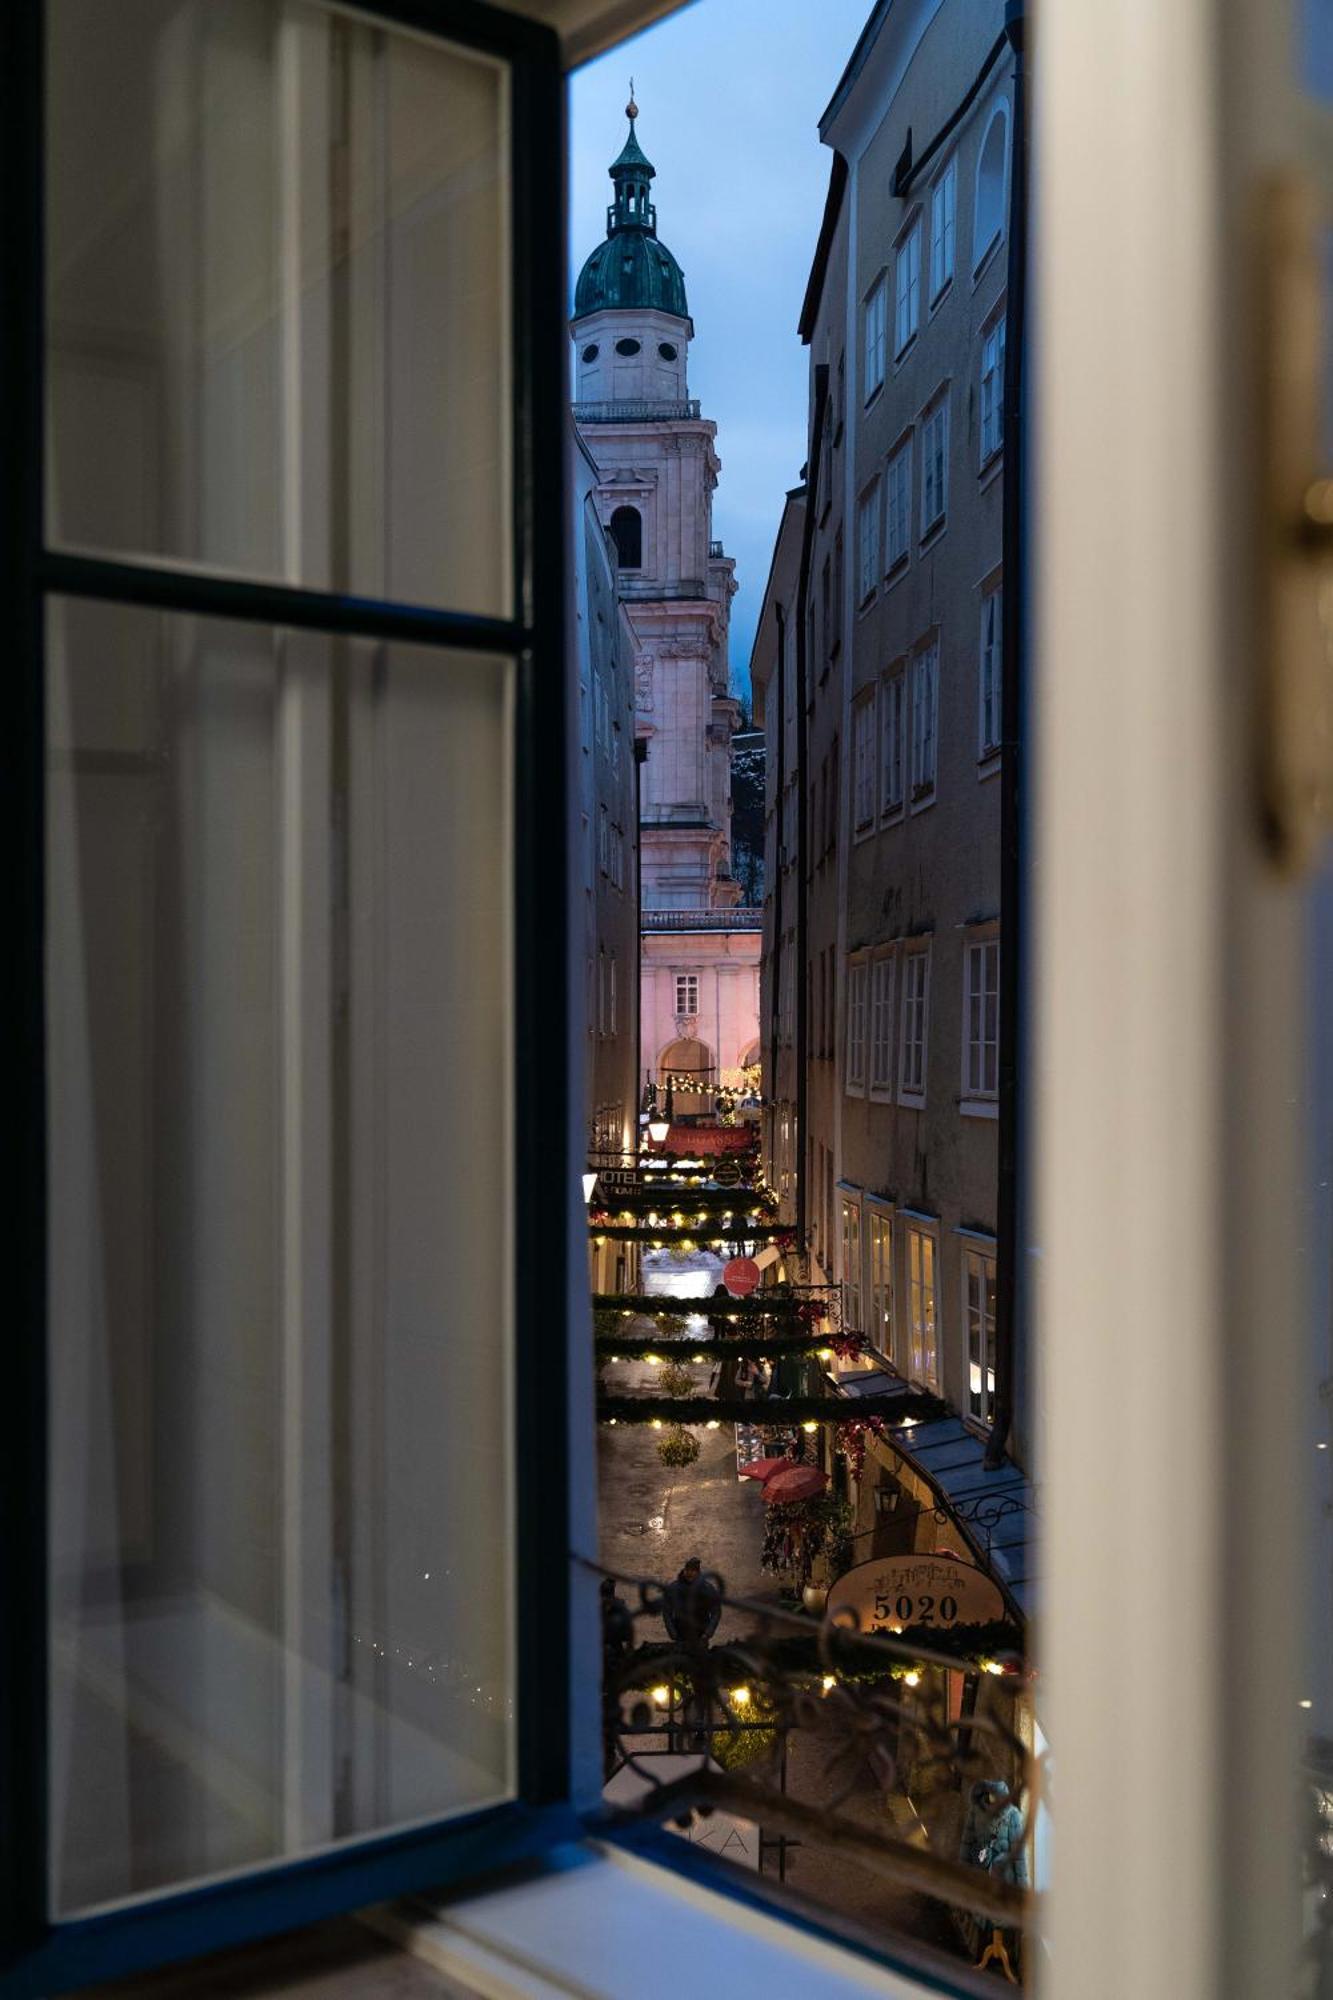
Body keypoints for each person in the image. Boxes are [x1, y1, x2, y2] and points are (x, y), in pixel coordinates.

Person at [661, 1556, 721, 1645]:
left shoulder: (707, 1589)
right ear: (684, 1570)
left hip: (700, 1635)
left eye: (693, 1571)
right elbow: (666, 1611)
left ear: (698, 1572)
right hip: (681, 1633)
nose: (689, 1573)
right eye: (687, 1570)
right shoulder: (674, 1588)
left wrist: (707, 1634)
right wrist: (673, 1633)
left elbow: (716, 1612)